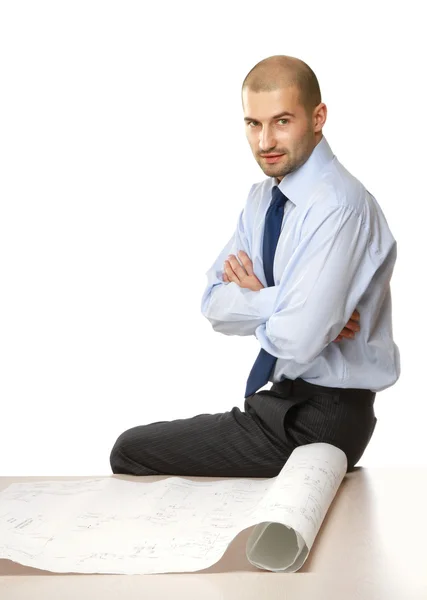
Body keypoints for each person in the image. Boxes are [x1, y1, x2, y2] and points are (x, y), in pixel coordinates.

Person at [110, 55, 400, 477]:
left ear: (318, 117)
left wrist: (297, 312)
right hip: (281, 401)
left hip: (323, 418)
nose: (265, 141)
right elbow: (212, 303)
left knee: (130, 451)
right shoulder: (261, 200)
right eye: (253, 124)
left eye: (282, 121)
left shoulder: (339, 206)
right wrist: (294, 303)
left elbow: (299, 340)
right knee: (138, 449)